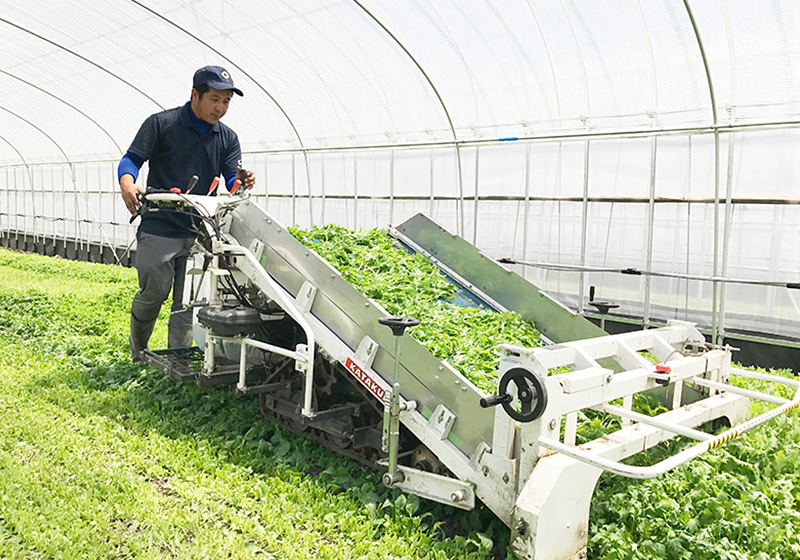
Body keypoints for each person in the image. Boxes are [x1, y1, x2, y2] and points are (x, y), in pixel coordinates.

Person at [118, 65, 256, 362]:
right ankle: (138, 352)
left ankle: (176, 357)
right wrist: (127, 183)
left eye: (226, 102)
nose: (220, 108)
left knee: (186, 302)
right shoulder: (161, 124)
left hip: (197, 229)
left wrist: (240, 181)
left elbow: (231, 180)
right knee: (154, 293)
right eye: (215, 99)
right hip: (160, 226)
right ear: (195, 94)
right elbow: (132, 159)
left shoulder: (227, 138)